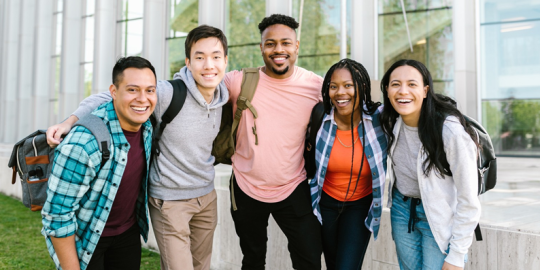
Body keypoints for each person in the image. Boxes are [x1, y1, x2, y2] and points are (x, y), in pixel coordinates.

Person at [46, 25, 229, 270]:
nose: (209, 65)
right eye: (200, 57)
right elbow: (107, 97)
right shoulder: (166, 93)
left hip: (201, 198)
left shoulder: (224, 95)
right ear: (188, 61)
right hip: (168, 201)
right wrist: (70, 121)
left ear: (225, 61)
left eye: (216, 57)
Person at [224, 14, 323, 269]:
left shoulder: (315, 87)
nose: (278, 50)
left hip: (294, 185)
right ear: (261, 48)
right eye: (270, 43)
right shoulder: (239, 82)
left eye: (286, 43)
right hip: (246, 187)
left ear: (297, 46)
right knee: (253, 260)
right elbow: (199, 85)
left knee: (309, 259)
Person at [41, 56, 157, 270]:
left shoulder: (147, 126)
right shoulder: (83, 143)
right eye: (132, 90)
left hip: (127, 233)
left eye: (150, 90)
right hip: (87, 236)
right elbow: (56, 216)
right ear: (113, 92)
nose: (143, 99)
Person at [379, 59, 481, 270]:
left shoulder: (449, 131)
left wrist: (457, 254)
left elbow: (469, 199)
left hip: (438, 214)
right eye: (395, 84)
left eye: (412, 84)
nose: (403, 91)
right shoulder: (390, 120)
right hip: (401, 210)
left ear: (425, 91)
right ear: (387, 90)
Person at [308, 59, 387, 270]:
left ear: (362, 87)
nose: (340, 92)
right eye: (334, 86)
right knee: (333, 265)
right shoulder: (320, 117)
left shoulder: (379, 119)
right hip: (325, 204)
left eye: (348, 85)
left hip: (359, 206)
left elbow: (413, 112)